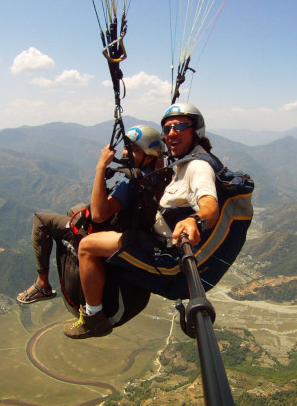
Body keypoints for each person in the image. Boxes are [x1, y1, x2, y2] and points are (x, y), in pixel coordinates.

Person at [63, 103, 220, 339]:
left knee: (86, 246)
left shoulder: (198, 165)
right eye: (167, 129)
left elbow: (209, 203)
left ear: (195, 131)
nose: (171, 133)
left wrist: (195, 220)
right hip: (160, 241)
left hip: (166, 253)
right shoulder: (183, 162)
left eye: (179, 126)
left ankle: (94, 318)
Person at [17, 125, 166, 305]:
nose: (125, 152)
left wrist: (101, 167)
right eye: (127, 146)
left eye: (134, 149)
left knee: (41, 220)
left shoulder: (132, 182)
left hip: (113, 234)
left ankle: (42, 285)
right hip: (133, 232)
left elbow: (98, 215)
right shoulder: (157, 176)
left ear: (149, 156)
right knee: (75, 210)